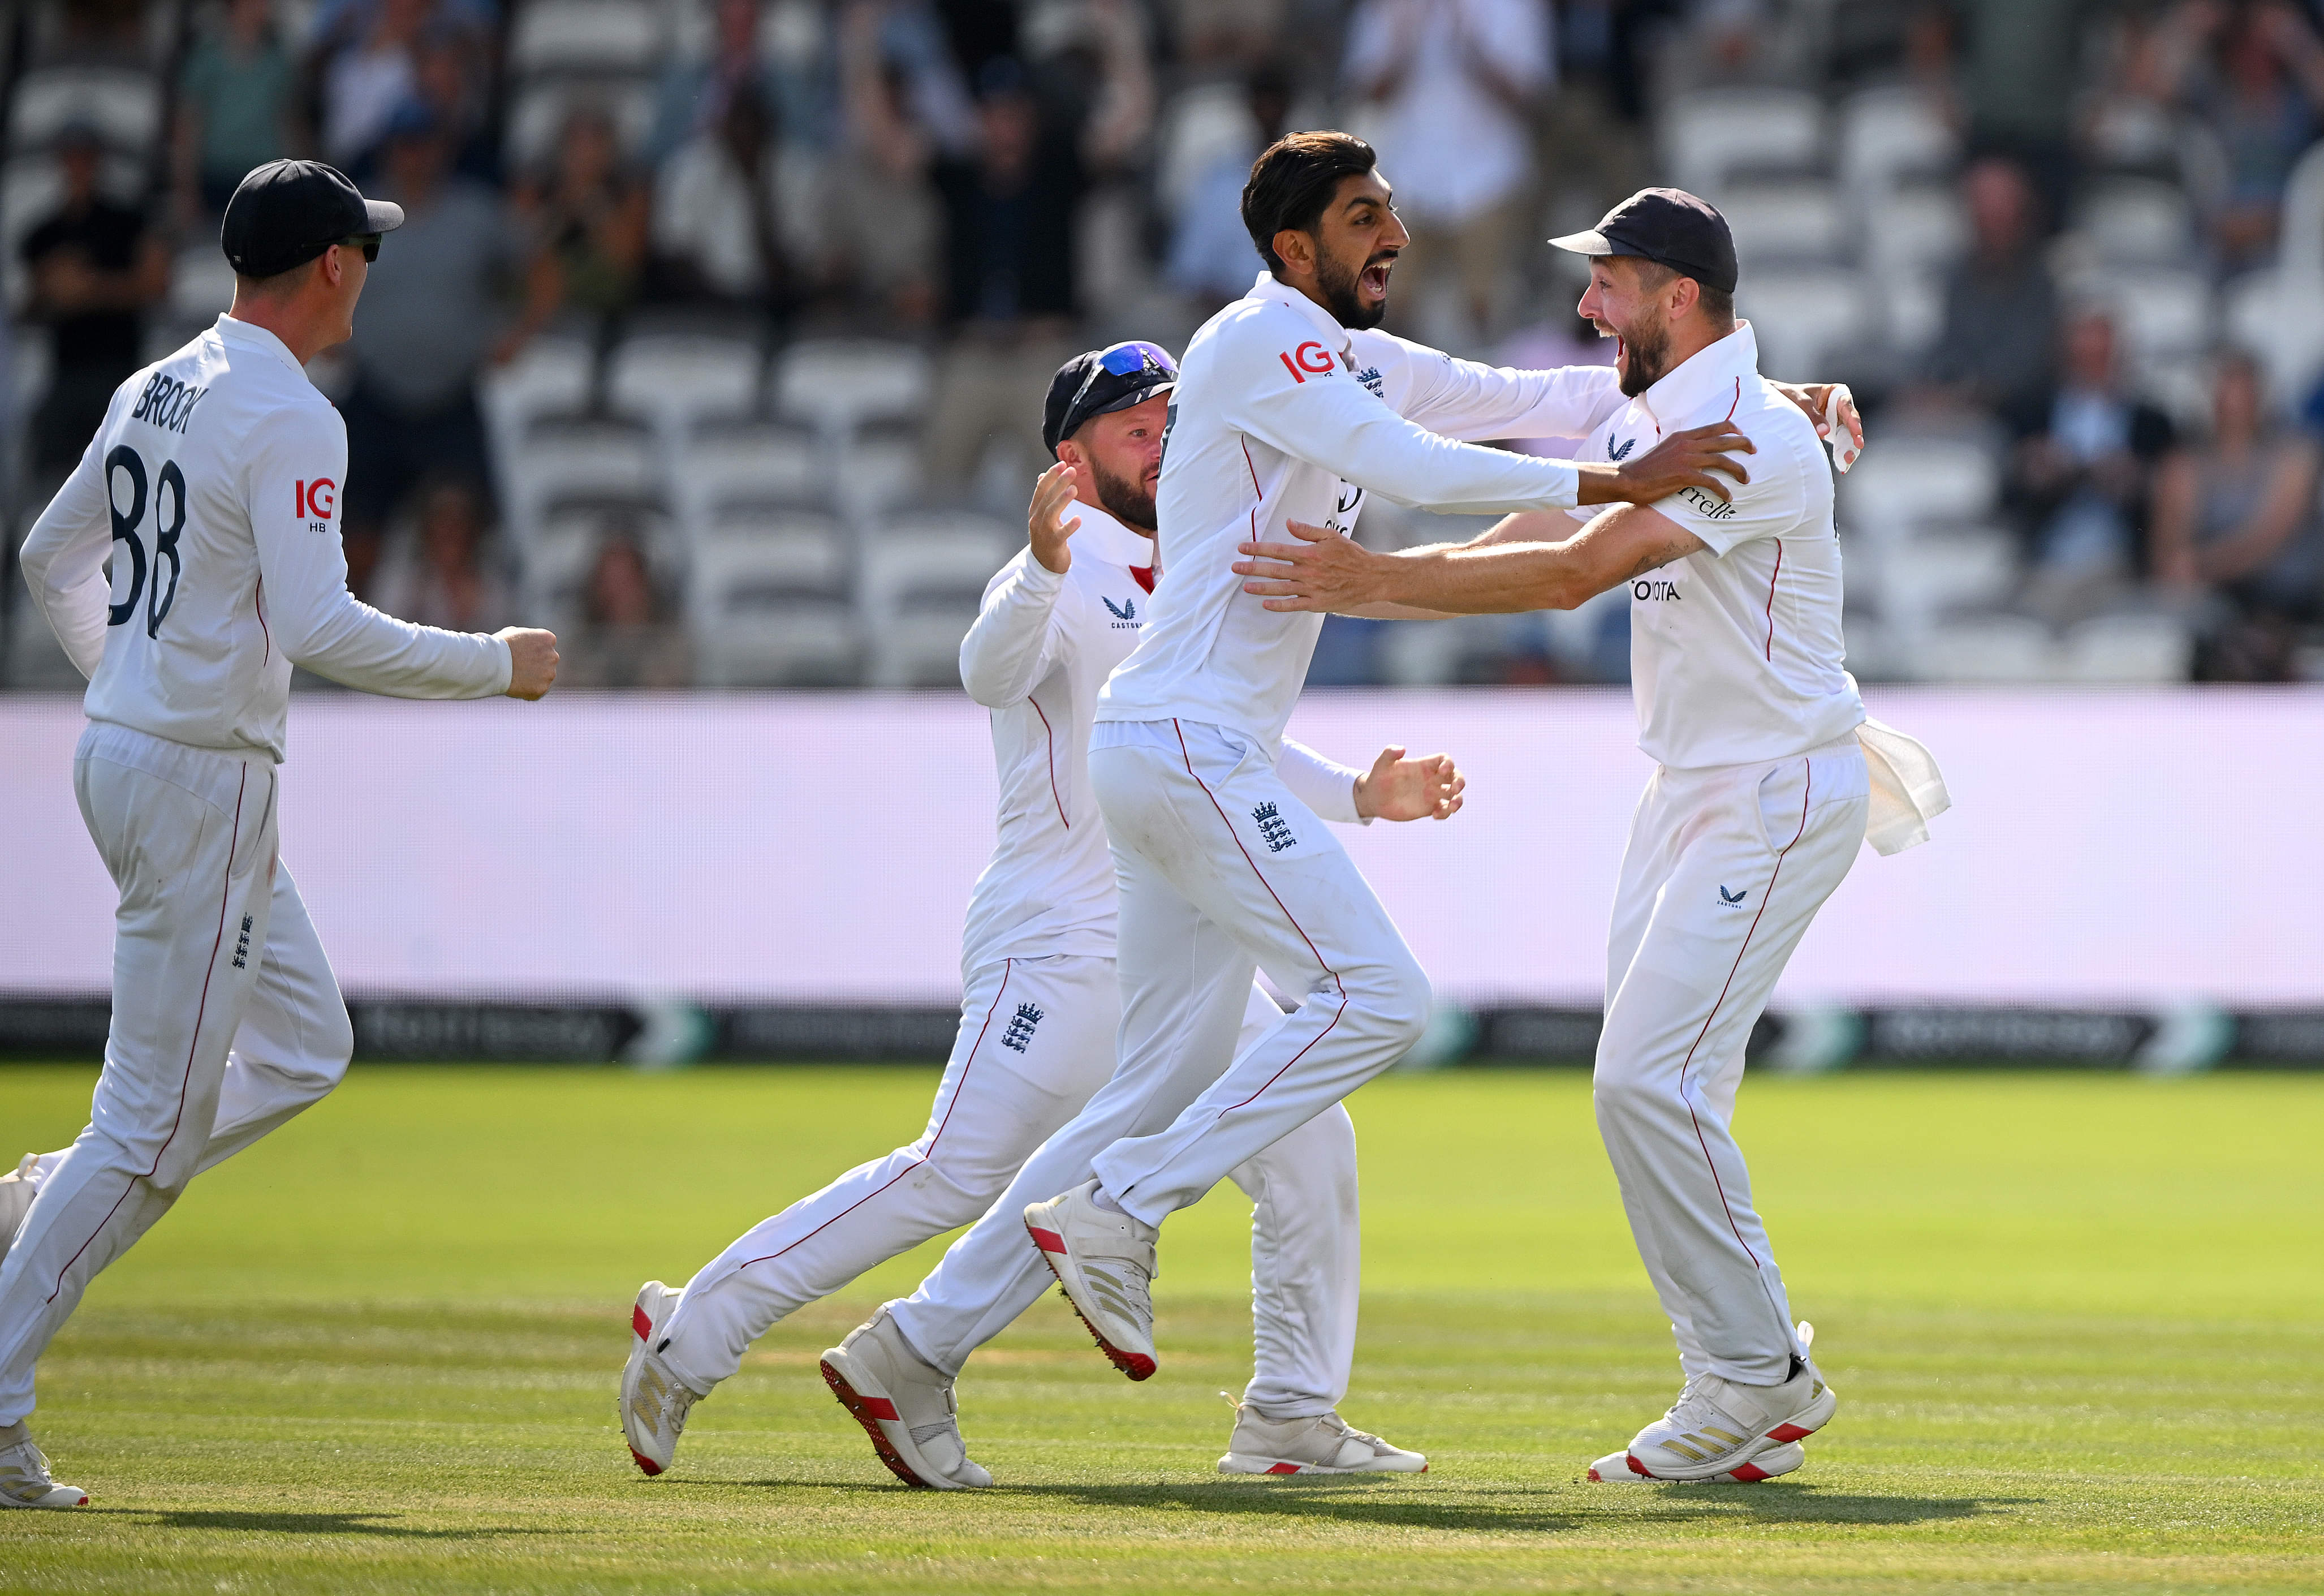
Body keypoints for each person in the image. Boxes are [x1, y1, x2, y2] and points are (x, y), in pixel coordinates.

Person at [821, 131, 1757, 1469]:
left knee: (1152, 1089)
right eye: (1364, 214)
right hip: (1190, 744)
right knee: (1382, 999)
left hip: (1186, 752)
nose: (1397, 233)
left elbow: (1527, 394)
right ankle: (1127, 1209)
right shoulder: (1256, 346)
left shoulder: (1346, 351)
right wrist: (1624, 480)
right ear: (1293, 246)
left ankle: (922, 1351)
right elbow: (1433, 474)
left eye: (1395, 209)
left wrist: (1777, 399)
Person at [627, 342, 1450, 1486]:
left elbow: (1227, 748)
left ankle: (1287, 1421)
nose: (1160, 444)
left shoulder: (1205, 559)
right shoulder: (1062, 565)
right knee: (950, 1174)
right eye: (1132, 430)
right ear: (1070, 458)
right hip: (1052, 942)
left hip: (1157, 945)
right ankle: (693, 1335)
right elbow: (983, 669)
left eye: (1169, 422)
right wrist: (1032, 566)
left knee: (1307, 1137)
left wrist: (1358, 794)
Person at [1230, 186, 1947, 1486]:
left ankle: (1759, 1382)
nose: (1586, 305)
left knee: (1643, 1083)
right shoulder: (1675, 414)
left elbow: (1574, 575)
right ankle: (1742, 1383)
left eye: (1608, 284)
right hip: (1685, 794)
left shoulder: (1750, 437)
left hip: (1779, 795)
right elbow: (1536, 528)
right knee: (1661, 1098)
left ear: (1679, 295)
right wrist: (1377, 581)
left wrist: (1369, 584)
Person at [1, 159, 559, 1510]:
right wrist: (496, 664)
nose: (368, 267)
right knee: (147, 1133)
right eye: (360, 248)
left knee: (307, 1045)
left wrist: (130, 687)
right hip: (200, 781)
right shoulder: (293, 413)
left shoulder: (159, 382)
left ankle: (45, 1196)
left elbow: (44, 558)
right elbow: (320, 629)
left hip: (134, 759)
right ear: (327, 267)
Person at [2153, 349, 2322, 681]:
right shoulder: (2185, 466)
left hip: (2290, 597)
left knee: (2262, 631)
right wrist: (2184, 569)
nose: (2233, 403)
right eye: (2225, 391)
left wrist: (2201, 566)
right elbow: (2170, 552)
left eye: (2242, 391)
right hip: (2220, 602)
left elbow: (2270, 537)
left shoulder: (2296, 456)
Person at [19, 124, 170, 478]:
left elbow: (156, 286)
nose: (78, 166)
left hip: (119, 373)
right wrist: (51, 291)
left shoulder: (126, 223)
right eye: (71, 158)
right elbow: (30, 305)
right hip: (66, 371)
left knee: (125, 471)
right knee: (48, 469)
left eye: (85, 158)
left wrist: (90, 288)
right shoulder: (42, 233)